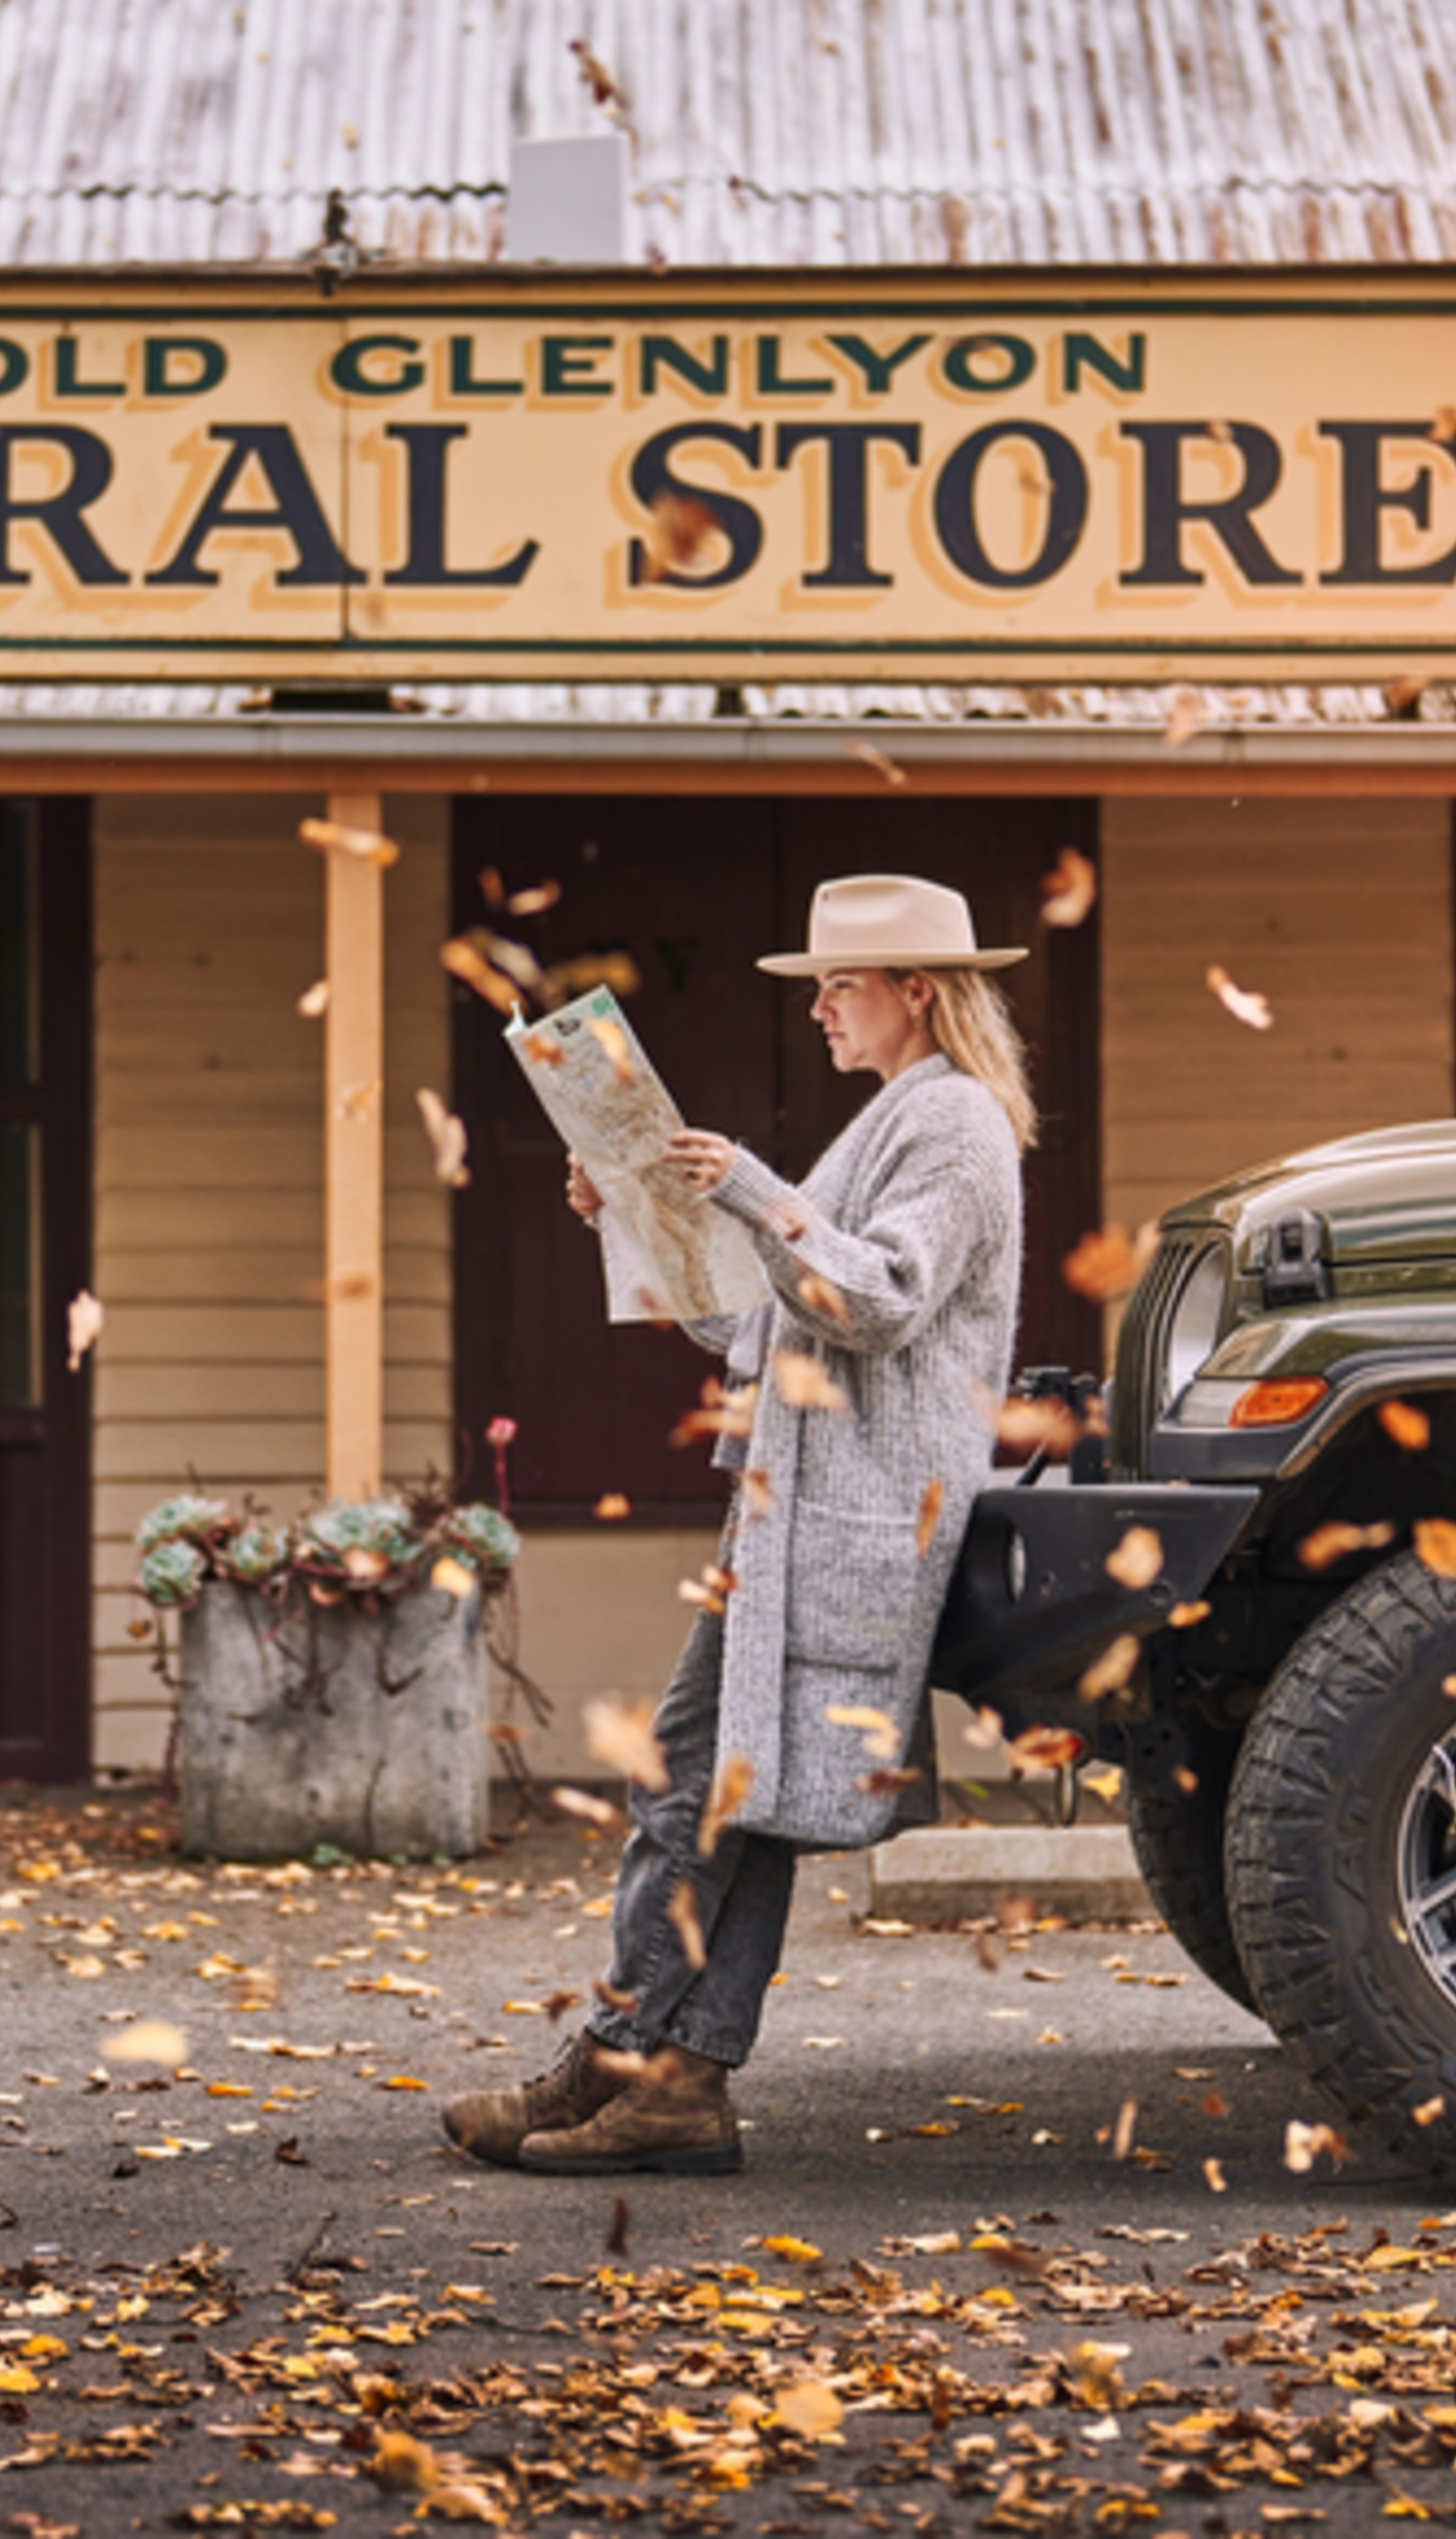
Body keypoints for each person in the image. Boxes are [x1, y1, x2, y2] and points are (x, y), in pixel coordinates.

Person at [444, 874, 1034, 2176]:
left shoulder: (955, 1129)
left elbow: (876, 1301)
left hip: (852, 1518)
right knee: (726, 1798)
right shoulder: (899, 1118)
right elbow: (777, 1320)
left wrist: (752, 1187)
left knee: (690, 1785)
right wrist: (644, 1220)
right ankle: (664, 2083)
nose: (818, 1007)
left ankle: (630, 2064)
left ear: (916, 992)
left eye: (838, 985)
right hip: (810, 1516)